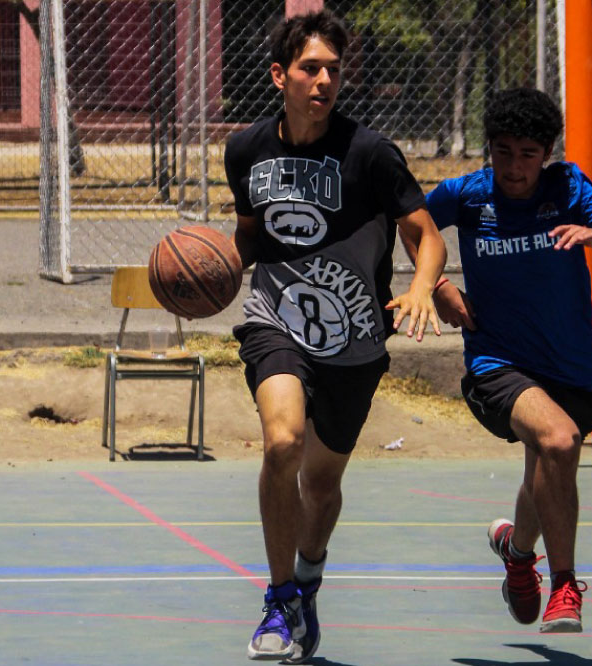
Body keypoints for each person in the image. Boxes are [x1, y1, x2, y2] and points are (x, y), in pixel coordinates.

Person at [223, 9, 446, 662]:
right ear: (279, 76)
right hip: (276, 320)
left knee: (320, 486)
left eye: (333, 70)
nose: (323, 80)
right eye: (309, 68)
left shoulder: (370, 153)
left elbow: (424, 236)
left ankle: (309, 575)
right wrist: (212, 275)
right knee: (282, 442)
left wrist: (424, 285)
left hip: (354, 339)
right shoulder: (245, 150)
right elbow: (248, 236)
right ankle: (280, 596)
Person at [415, 87, 592, 633]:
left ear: (546, 152)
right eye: (503, 152)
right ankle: (566, 586)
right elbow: (412, 226)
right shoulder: (468, 195)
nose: (515, 167)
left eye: (528, 154)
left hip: (568, 366)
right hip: (497, 363)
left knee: (546, 465)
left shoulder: (569, 188)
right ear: (489, 149)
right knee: (560, 441)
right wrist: (437, 285)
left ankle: (518, 553)